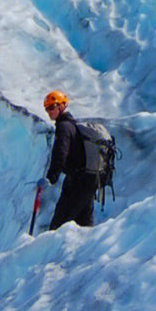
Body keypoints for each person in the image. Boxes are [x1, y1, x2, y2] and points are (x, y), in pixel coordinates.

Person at [43, 91, 96, 229]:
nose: (49, 112)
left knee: (57, 226)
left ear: (61, 107)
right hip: (88, 181)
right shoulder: (72, 125)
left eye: (52, 107)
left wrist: (51, 177)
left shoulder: (63, 127)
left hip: (78, 182)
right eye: (47, 108)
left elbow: (61, 153)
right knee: (85, 227)